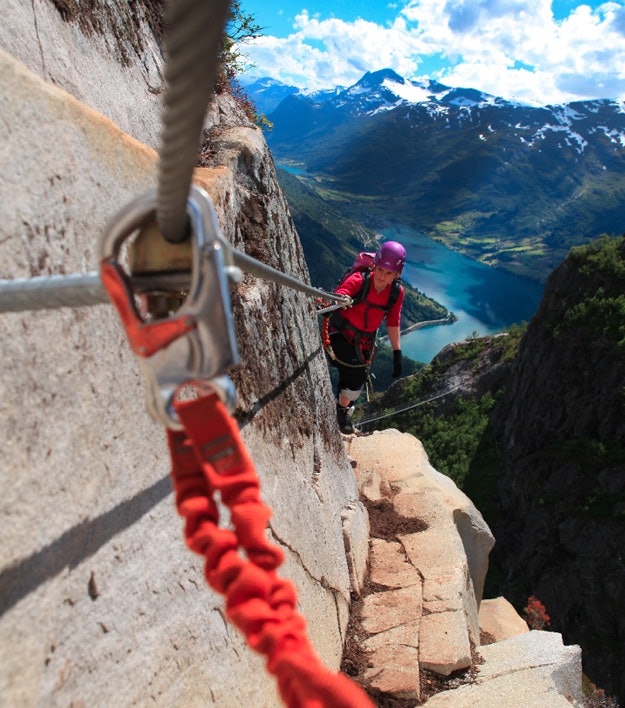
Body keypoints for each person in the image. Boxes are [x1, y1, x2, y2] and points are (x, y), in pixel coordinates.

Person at [328, 240, 406, 434]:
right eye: (379, 270)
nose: (382, 276)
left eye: (388, 273)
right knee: (354, 373)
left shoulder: (396, 293)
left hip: (364, 341)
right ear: (374, 266)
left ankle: (342, 409)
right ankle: (342, 412)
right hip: (339, 332)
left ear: (397, 275)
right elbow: (341, 293)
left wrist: (397, 352)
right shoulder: (359, 280)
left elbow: (393, 322)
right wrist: (342, 299)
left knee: (356, 381)